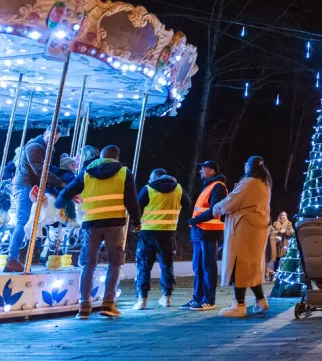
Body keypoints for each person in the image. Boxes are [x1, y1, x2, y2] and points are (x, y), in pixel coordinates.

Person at [55, 145, 139, 319]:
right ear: (116, 157)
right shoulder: (124, 172)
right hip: (114, 223)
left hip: (91, 224)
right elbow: (131, 200)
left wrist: (58, 204)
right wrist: (137, 221)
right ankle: (108, 304)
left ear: (101, 156)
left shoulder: (87, 172)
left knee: (88, 264)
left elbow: (67, 191)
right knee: (114, 264)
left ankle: (83, 307)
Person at [213, 155, 272, 318]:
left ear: (250, 166)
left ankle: (239, 305)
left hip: (243, 229)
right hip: (257, 230)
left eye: (246, 163)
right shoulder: (264, 184)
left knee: (239, 265)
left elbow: (232, 200)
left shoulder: (249, 183)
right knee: (251, 266)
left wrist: (216, 208)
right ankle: (260, 300)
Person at [4, 128, 67, 273]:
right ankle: (12, 259)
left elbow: (46, 169)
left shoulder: (44, 148)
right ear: (46, 133)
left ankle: (18, 257)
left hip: (32, 186)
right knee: (23, 221)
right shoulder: (35, 147)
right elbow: (40, 170)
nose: (53, 141)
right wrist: (60, 182)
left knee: (32, 220)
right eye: (51, 137)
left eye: (56, 139)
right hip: (25, 186)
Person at [133, 168, 190, 310]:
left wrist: (135, 224)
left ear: (156, 178)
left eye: (150, 178)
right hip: (168, 232)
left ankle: (142, 299)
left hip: (147, 233)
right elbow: (188, 204)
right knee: (167, 265)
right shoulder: (178, 189)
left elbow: (136, 208)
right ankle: (167, 297)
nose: (148, 180)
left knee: (144, 266)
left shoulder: (147, 189)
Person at [182, 160, 228, 311]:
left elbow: (216, 209)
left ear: (212, 171)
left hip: (209, 232)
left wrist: (196, 220)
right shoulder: (209, 186)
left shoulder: (218, 187)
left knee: (208, 266)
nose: (201, 171)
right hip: (200, 232)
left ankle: (209, 299)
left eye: (204, 168)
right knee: (198, 266)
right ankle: (198, 298)